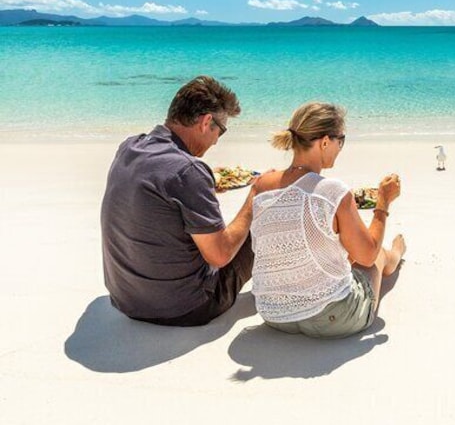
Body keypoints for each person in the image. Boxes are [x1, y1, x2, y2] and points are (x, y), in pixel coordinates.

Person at [101, 76, 256, 326]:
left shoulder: (130, 147)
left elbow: (159, 197)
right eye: (221, 130)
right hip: (183, 308)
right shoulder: (188, 171)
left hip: (125, 299)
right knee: (264, 219)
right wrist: (255, 197)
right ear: (206, 122)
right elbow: (220, 255)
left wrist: (205, 186)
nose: (217, 140)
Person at [250, 102, 406, 339]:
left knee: (335, 245)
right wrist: (383, 203)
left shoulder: (261, 185)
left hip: (274, 314)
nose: (340, 147)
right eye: (340, 140)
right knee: (377, 256)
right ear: (324, 142)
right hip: (333, 318)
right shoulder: (332, 191)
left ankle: (393, 254)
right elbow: (367, 256)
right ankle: (395, 255)